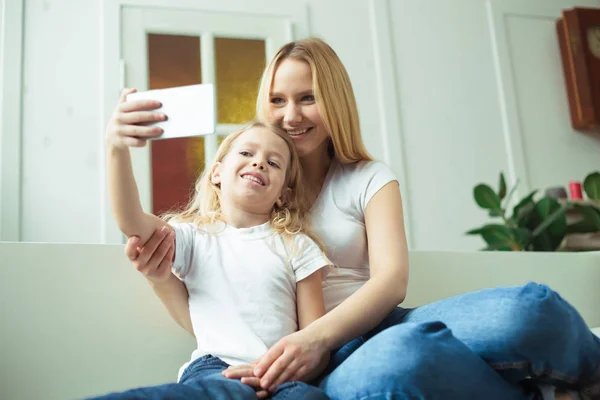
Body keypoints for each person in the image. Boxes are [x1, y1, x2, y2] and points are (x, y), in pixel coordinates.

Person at [121, 38, 600, 399]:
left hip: (376, 324)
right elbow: (226, 311)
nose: (291, 115)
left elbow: (392, 280)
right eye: (278, 100)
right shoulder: (249, 197)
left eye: (308, 98)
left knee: (530, 310)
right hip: (322, 363)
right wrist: (162, 281)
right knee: (398, 364)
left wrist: (316, 338)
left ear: (335, 101)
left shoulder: (369, 177)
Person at [97, 112, 333, 399]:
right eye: (247, 153)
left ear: (283, 193)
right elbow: (131, 221)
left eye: (273, 163)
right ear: (217, 173)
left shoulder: (298, 246)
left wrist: (279, 372)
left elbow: (315, 341)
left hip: (281, 376)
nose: (259, 162)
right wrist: (116, 148)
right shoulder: (194, 237)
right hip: (215, 369)